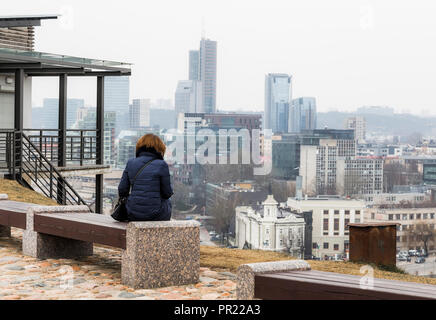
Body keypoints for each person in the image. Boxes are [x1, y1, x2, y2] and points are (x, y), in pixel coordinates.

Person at [118, 134, 173, 221]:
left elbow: (122, 190)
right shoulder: (162, 165)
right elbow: (167, 193)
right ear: (160, 148)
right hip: (156, 215)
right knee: (168, 201)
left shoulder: (131, 162)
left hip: (133, 213)